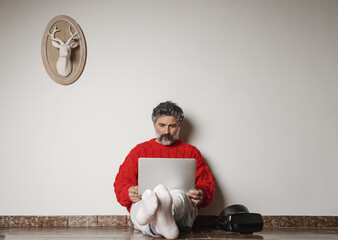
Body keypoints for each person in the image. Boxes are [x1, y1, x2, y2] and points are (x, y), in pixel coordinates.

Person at [114, 101, 215, 239]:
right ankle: (162, 222)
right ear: (154, 124)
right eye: (162, 125)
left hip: (180, 208)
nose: (166, 131)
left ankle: (156, 217)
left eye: (172, 126)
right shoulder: (139, 151)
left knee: (178, 195)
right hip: (145, 200)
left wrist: (201, 194)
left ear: (179, 126)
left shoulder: (191, 152)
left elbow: (208, 186)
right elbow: (121, 183)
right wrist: (129, 192)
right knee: (145, 199)